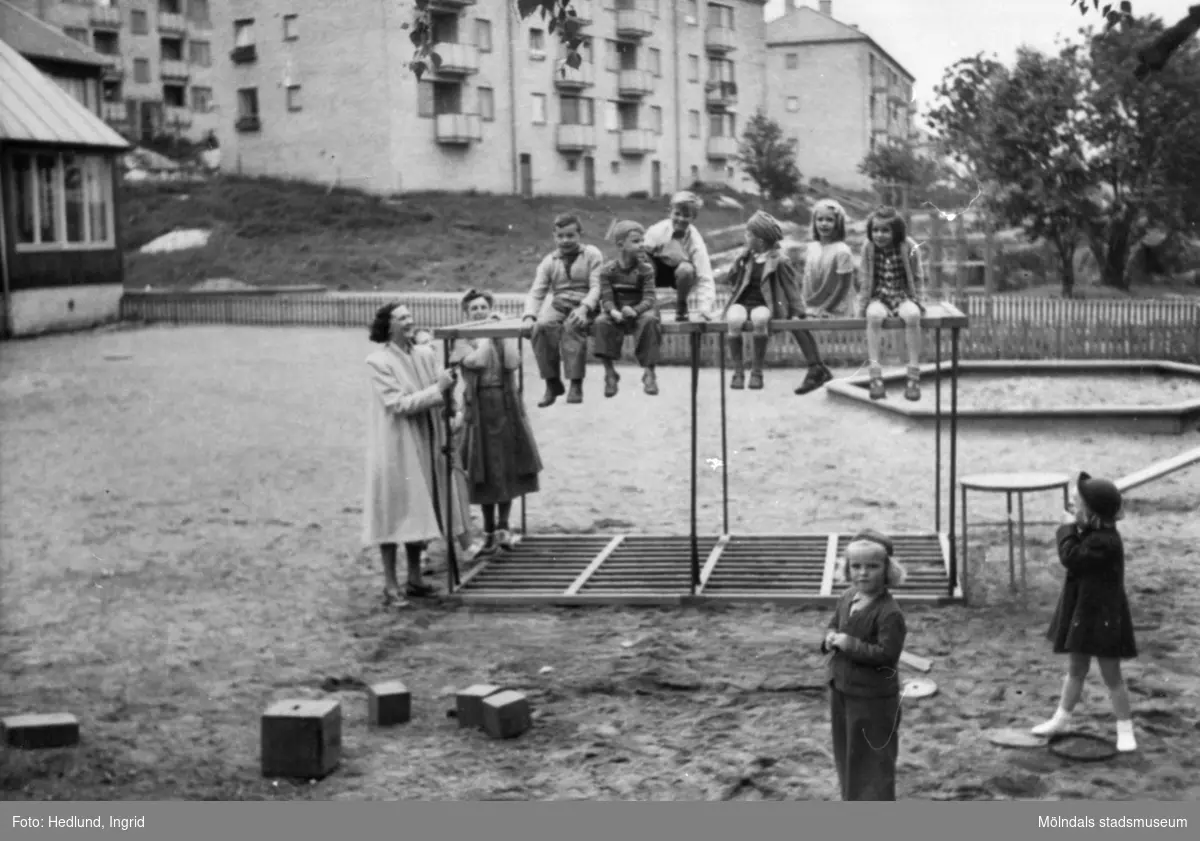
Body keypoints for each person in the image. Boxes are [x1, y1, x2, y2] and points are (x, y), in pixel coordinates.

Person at [362, 302, 468, 604]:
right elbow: (398, 404)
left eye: (410, 316)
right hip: (395, 445)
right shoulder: (378, 361)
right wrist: (438, 390)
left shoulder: (423, 354)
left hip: (424, 439)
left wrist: (448, 387)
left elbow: (441, 382)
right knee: (393, 513)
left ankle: (415, 577)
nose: (410, 321)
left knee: (419, 508)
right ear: (388, 325)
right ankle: (391, 584)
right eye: (402, 317)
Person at [1031, 472, 1138, 753]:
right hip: (1084, 613)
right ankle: (1060, 719)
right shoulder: (1093, 534)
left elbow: (1071, 557)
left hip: (1103, 617)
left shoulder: (1105, 541)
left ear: (1091, 513)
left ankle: (1125, 729)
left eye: (1076, 505)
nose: (1071, 509)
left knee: (1111, 675)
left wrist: (1066, 530)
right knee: (1076, 669)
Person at [451, 289, 544, 558]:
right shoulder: (462, 339)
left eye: (483, 307)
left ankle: (503, 527)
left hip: (505, 404)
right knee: (484, 469)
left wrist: (501, 333)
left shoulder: (499, 335)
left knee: (507, 465)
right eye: (474, 309)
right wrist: (487, 335)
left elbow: (513, 363)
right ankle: (489, 529)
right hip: (479, 406)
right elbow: (477, 361)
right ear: (466, 313)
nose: (479, 312)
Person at [820, 529, 909, 801]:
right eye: (856, 566)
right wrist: (828, 638)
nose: (863, 573)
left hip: (873, 699)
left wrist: (850, 645)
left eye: (872, 566)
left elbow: (886, 655)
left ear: (887, 570)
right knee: (847, 752)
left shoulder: (889, 613)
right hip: (843, 689)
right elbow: (836, 623)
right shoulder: (848, 597)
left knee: (873, 759)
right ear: (847, 569)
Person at [721, 210, 820, 391]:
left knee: (760, 320)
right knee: (734, 320)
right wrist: (738, 262)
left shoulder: (779, 260)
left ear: (760, 239)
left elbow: (791, 288)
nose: (746, 237)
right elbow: (732, 280)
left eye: (749, 234)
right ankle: (738, 371)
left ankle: (757, 371)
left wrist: (799, 312)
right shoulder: (747, 258)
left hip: (763, 304)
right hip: (743, 302)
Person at [521, 213, 605, 407]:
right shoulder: (550, 261)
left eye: (570, 235)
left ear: (579, 235)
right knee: (540, 327)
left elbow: (597, 286)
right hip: (560, 305)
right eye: (560, 236)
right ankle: (552, 383)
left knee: (572, 327)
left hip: (585, 304)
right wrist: (529, 316)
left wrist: (584, 308)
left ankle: (576, 383)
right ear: (554, 236)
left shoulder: (592, 254)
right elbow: (537, 291)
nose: (565, 241)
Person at [856, 206, 926, 402]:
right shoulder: (868, 248)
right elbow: (864, 278)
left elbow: (918, 277)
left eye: (885, 230)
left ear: (896, 231)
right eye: (876, 230)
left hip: (903, 296)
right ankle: (875, 374)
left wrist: (919, 301)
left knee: (912, 316)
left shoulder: (908, 246)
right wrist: (862, 306)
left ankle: (913, 373)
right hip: (879, 297)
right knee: (874, 316)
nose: (880, 235)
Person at [592, 220, 662, 397]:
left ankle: (649, 372)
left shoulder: (645, 269)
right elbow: (606, 298)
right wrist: (613, 311)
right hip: (618, 311)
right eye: (636, 241)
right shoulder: (608, 270)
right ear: (620, 244)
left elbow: (649, 298)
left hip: (642, 310)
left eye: (642, 241)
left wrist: (636, 310)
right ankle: (609, 373)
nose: (641, 245)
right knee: (601, 322)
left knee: (650, 321)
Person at [642, 190, 717, 322]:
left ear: (693, 218)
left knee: (686, 270)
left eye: (686, 216)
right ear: (670, 212)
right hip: (656, 271)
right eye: (677, 214)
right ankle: (650, 304)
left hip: (679, 276)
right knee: (645, 260)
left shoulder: (695, 242)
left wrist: (704, 309)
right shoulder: (657, 231)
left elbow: (705, 276)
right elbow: (641, 253)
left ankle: (681, 305)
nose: (681, 219)